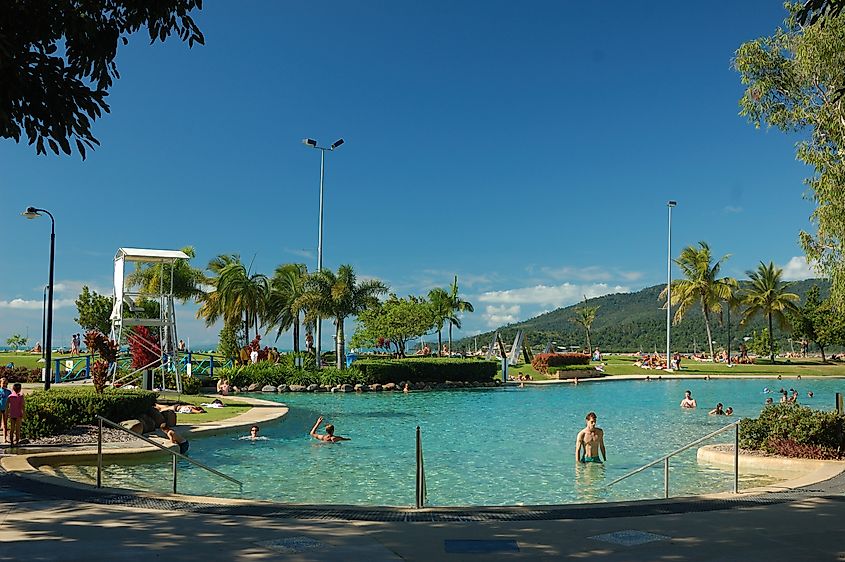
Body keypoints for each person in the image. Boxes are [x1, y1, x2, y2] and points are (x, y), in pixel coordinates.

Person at [0, 378, 10, 443]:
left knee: (5, 424)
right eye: (3, 383)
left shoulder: (9, 392)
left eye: (6, 383)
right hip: (0, 408)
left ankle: (5, 438)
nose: (4, 385)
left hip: (5, 409)